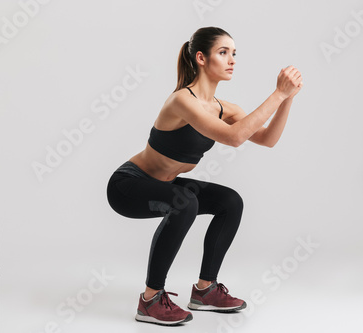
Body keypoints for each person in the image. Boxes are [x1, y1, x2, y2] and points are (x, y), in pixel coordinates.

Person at [106, 26, 302, 326]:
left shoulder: (224, 108)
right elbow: (235, 138)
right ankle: (150, 300)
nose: (232, 60)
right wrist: (277, 93)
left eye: (234, 53)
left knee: (229, 201)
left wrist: (287, 98)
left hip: (165, 185)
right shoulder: (182, 101)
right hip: (127, 186)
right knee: (185, 204)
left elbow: (268, 139)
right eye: (223, 53)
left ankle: (205, 290)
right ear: (201, 57)